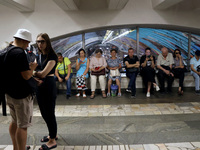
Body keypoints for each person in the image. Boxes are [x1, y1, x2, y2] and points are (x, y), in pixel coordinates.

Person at [4, 29, 37, 150]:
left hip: (9, 93)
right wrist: (32, 68)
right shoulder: (19, 53)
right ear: (22, 40)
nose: (28, 45)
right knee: (22, 126)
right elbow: (26, 75)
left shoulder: (5, 50)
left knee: (14, 122)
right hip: (21, 94)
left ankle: (15, 148)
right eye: (27, 42)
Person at [34, 33, 58, 150]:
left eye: (42, 41)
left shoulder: (52, 56)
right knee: (44, 113)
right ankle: (52, 134)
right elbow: (34, 69)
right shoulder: (39, 56)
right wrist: (35, 72)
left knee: (49, 113)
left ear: (47, 42)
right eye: (38, 41)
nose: (40, 44)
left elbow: (43, 73)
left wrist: (34, 73)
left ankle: (52, 140)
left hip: (48, 85)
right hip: (39, 86)